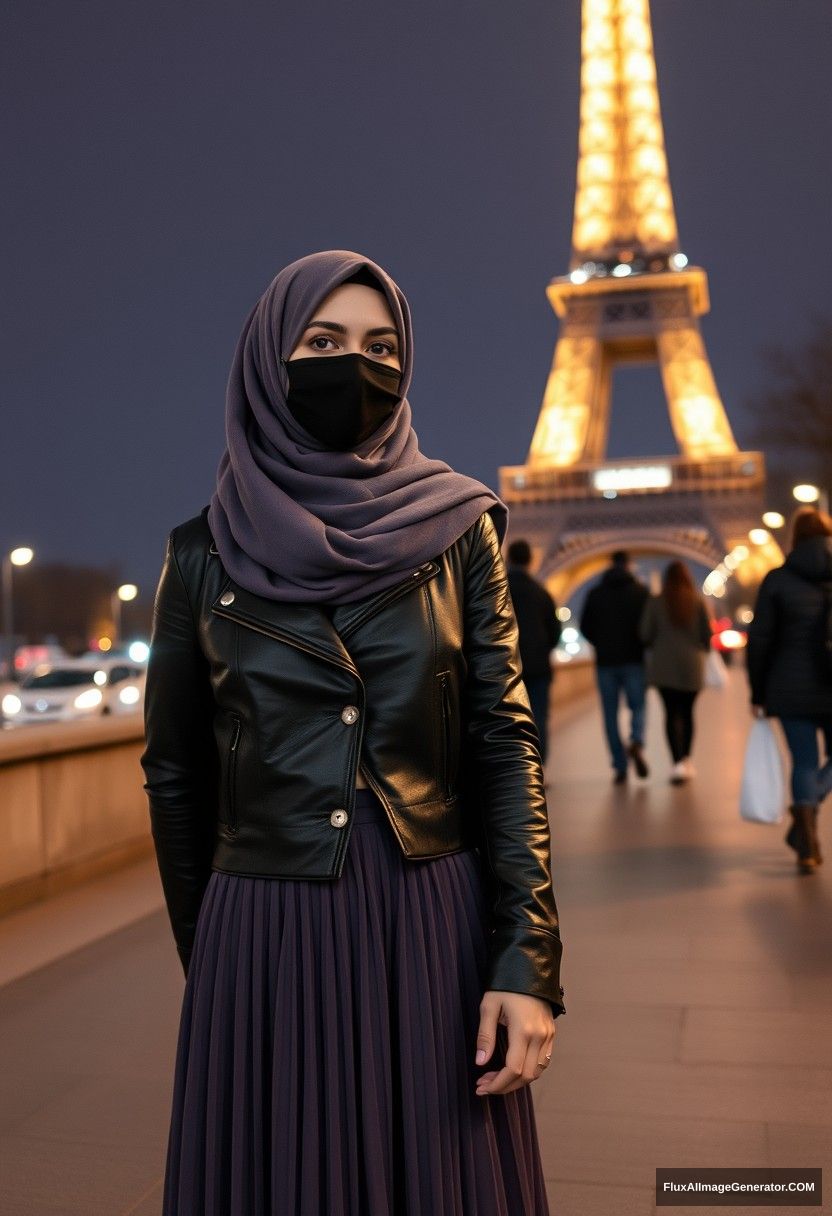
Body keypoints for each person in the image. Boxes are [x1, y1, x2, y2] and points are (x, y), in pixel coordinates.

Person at [140, 250, 566, 1216]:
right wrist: (209, 963)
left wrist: (527, 965)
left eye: (381, 346)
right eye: (323, 342)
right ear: (267, 360)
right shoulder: (200, 555)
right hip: (265, 933)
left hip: (429, 924)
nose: (355, 367)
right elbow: (175, 775)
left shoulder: (463, 534)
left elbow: (505, 747)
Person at [746, 506, 832, 873]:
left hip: (789, 683)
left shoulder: (777, 579)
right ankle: (807, 818)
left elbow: (761, 640)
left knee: (804, 762)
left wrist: (758, 691)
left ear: (794, 538)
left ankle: (807, 843)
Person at [580, 550, 650, 784]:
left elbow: (585, 627)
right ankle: (637, 740)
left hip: (605, 662)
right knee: (638, 705)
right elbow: (648, 628)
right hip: (634, 660)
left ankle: (620, 765)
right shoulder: (641, 593)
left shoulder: (595, 593)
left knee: (609, 714)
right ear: (629, 565)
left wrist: (601, 643)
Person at [639, 560, 712, 785]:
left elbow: (644, 633)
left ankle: (677, 762)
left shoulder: (656, 602)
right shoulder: (697, 601)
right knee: (688, 714)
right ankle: (687, 760)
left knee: (671, 715)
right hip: (692, 666)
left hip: (664, 667)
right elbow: (706, 635)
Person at [505, 538, 561, 766]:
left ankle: (515, 768)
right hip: (539, 667)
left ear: (508, 559)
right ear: (530, 560)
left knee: (509, 719)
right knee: (539, 717)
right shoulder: (541, 593)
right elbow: (555, 631)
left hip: (507, 666)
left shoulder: (499, 591)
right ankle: (539, 769)